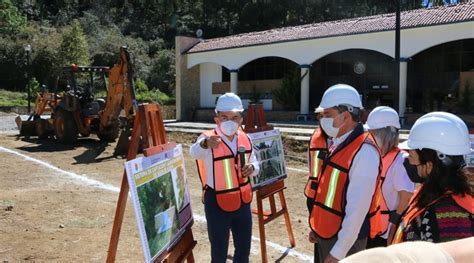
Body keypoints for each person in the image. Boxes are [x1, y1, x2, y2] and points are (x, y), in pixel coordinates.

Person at [308, 84, 381, 262]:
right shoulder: (339, 141)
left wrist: (339, 252)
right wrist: (317, 226)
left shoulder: (364, 152)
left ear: (346, 115)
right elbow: (328, 191)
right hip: (328, 232)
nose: (322, 120)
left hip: (345, 242)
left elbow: (357, 210)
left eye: (327, 115)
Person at [189, 92, 260, 263]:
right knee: (219, 252)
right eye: (225, 117)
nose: (230, 122)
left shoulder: (246, 138)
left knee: (243, 250)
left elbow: (255, 162)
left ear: (241, 120)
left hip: (242, 202)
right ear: (217, 119)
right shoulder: (207, 139)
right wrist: (205, 144)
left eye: (235, 117)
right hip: (217, 204)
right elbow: (194, 153)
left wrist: (252, 168)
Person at [392, 112, 473, 244]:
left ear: (430, 165)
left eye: (411, 156)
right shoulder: (431, 196)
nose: (408, 161)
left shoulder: (450, 216)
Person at [365, 106, 415, 247]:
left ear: (384, 134)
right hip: (370, 228)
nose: (368, 136)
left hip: (386, 233)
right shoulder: (375, 155)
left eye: (371, 133)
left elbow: (406, 197)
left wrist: (394, 225)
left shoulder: (401, 160)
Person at [306, 107, 329, 263]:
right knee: (321, 243)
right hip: (318, 196)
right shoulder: (320, 137)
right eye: (321, 116)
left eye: (327, 115)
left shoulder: (323, 136)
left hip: (322, 195)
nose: (323, 119)